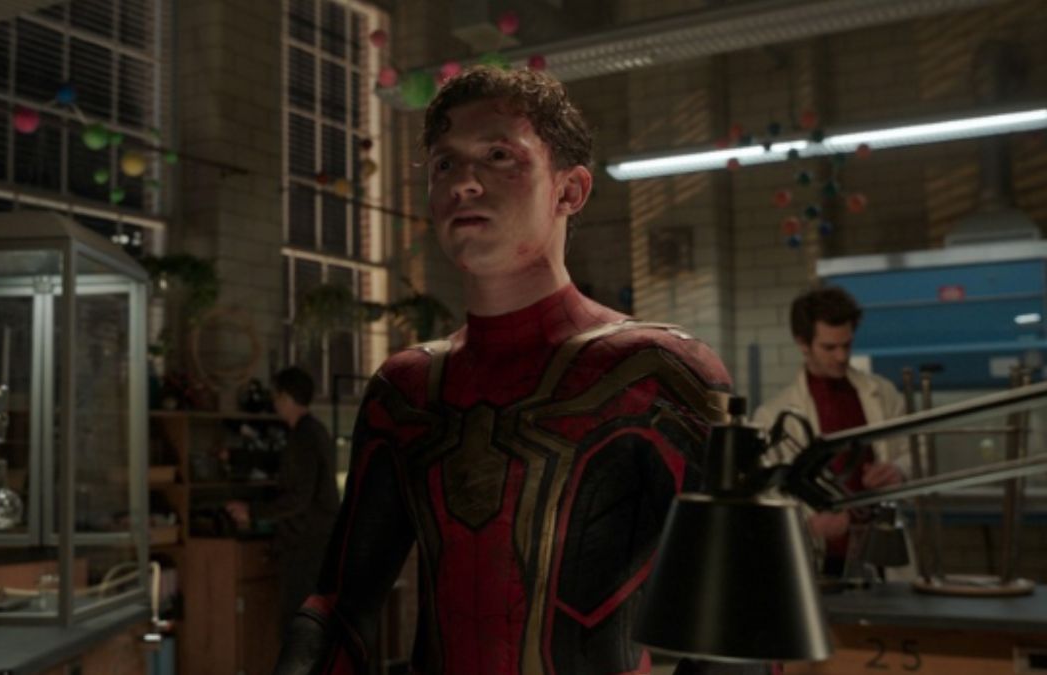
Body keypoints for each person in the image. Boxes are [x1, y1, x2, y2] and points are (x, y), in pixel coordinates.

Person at [274, 66, 751, 675]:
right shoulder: (405, 390)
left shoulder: (658, 374)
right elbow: (340, 604)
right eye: (444, 163)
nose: (463, 183)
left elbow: (741, 625)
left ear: (569, 191)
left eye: (499, 156)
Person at [752, 286, 910, 576]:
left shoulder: (882, 393)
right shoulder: (773, 416)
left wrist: (898, 471)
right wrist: (808, 523)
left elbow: (916, 451)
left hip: (879, 553)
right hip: (819, 559)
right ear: (802, 343)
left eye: (847, 345)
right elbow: (768, 495)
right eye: (829, 347)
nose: (841, 356)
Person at [232, 366, 339, 632]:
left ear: (286, 397)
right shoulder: (313, 431)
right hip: (316, 542)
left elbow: (298, 498)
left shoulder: (304, 436)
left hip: (307, 545)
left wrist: (253, 512)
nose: (274, 402)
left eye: (276, 395)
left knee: (298, 624)